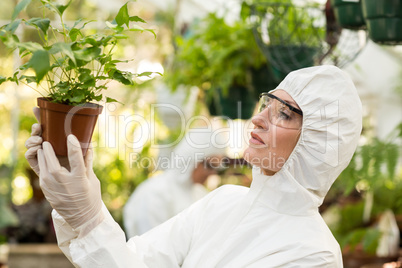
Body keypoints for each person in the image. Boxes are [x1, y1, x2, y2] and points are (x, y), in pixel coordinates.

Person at [25, 65, 362, 267]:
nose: (258, 119)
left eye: (284, 113)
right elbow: (134, 261)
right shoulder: (224, 202)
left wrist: (88, 219)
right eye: (266, 104)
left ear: (318, 143)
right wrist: (76, 198)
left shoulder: (313, 254)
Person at [123, 129, 227, 237]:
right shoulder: (155, 192)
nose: (212, 173)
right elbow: (150, 244)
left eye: (217, 168)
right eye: (210, 166)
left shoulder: (200, 193)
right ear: (191, 159)